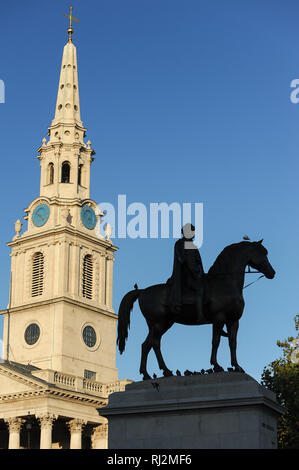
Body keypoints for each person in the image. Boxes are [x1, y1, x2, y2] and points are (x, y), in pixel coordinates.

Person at [166, 223, 204, 323]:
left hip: (196, 274)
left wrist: (201, 273)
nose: (193, 233)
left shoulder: (192, 245)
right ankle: (200, 315)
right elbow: (184, 260)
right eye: (191, 231)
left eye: (193, 231)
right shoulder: (180, 244)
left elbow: (198, 261)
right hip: (186, 276)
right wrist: (195, 272)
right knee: (200, 289)